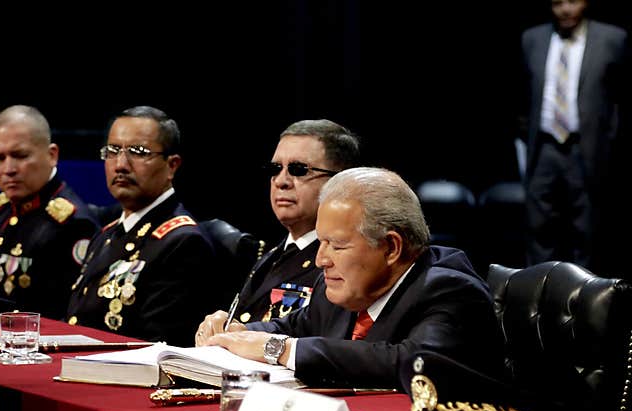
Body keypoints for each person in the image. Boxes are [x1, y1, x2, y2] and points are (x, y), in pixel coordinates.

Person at [195, 167, 505, 390]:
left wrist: (279, 348)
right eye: (322, 242)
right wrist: (235, 332)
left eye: (338, 245)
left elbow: (410, 360)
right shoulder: (343, 285)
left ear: (392, 247)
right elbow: (295, 327)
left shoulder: (449, 288)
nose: (321, 260)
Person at [65, 105, 217, 347]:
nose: (121, 164)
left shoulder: (183, 242)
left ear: (172, 165)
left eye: (138, 151)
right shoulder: (107, 234)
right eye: (113, 151)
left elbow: (156, 347)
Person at [520, 0, 628, 270]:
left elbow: (621, 98)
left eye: (573, 2)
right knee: (539, 229)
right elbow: (522, 96)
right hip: (544, 147)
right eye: (557, 3)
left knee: (586, 232)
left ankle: (584, 304)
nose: (565, 10)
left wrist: (609, 141)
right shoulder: (532, 39)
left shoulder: (612, 39)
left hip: (587, 148)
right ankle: (539, 299)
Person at [0, 105, 100, 319]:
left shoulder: (72, 224)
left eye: (20, 156)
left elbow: (66, 317)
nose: (8, 169)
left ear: (52, 155)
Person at [233, 119, 361, 324]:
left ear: (339, 181)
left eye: (299, 169)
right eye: (276, 168)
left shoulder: (340, 265)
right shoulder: (271, 256)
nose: (281, 181)